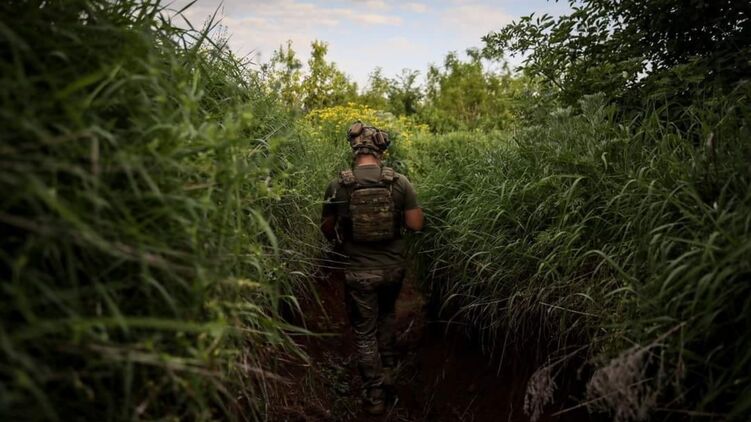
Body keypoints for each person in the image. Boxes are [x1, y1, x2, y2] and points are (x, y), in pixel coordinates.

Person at [320, 121, 424, 415]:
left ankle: (375, 394)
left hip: (359, 272)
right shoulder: (399, 182)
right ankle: (388, 367)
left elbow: (326, 229)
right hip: (393, 269)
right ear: (381, 151)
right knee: (387, 313)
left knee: (364, 332)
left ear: (354, 149)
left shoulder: (338, 185)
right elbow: (416, 225)